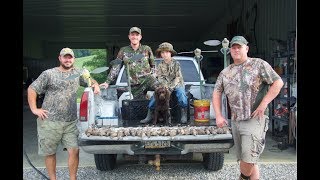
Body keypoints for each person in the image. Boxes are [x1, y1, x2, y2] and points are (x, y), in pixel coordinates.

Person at [212, 36, 283, 180]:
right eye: (233, 47)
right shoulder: (225, 72)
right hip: (236, 120)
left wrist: (264, 104)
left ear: (246, 48)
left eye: (239, 47)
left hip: (255, 119)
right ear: (230, 50)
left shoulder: (259, 64)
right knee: (248, 158)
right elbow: (216, 92)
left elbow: (278, 82)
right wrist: (219, 115)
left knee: (249, 158)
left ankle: (242, 178)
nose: (236, 49)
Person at [27, 47, 101, 180]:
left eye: (70, 57)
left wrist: (95, 84)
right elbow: (32, 89)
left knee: (74, 151)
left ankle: (73, 178)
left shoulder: (78, 73)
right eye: (65, 57)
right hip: (49, 121)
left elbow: (90, 81)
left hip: (70, 122)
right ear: (60, 58)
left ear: (74, 59)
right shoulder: (49, 74)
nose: (68, 59)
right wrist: (34, 109)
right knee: (50, 153)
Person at [100, 26, 159, 99]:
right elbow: (116, 68)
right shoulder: (123, 50)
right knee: (138, 105)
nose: (134, 37)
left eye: (137, 35)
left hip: (147, 80)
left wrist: (154, 76)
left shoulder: (146, 49)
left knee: (161, 90)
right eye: (132, 35)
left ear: (140, 37)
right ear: (129, 37)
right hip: (133, 85)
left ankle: (157, 108)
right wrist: (107, 82)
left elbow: (153, 65)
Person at [140, 42, 188, 124]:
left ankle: (184, 114)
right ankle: (149, 115)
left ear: (171, 53)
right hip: (165, 86)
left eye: (167, 52)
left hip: (177, 84)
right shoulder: (160, 66)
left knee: (181, 94)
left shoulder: (176, 63)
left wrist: (170, 88)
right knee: (155, 96)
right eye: (162, 52)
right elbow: (160, 78)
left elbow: (177, 77)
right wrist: (164, 86)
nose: (164, 54)